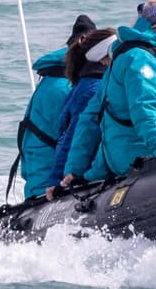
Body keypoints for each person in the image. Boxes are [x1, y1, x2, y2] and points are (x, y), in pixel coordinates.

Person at [58, 0, 156, 188]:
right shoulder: (141, 59)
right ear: (147, 29)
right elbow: (144, 111)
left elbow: (89, 119)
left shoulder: (125, 59)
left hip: (118, 156)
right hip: (144, 153)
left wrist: (74, 171)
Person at [11, 17, 84, 197]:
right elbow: (80, 138)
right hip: (51, 184)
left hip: (36, 180)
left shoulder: (50, 82)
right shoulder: (67, 88)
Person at [45, 18, 117, 195]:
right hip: (91, 173)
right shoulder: (93, 89)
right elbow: (74, 136)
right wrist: (57, 180)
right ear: (103, 59)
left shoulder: (84, 84)